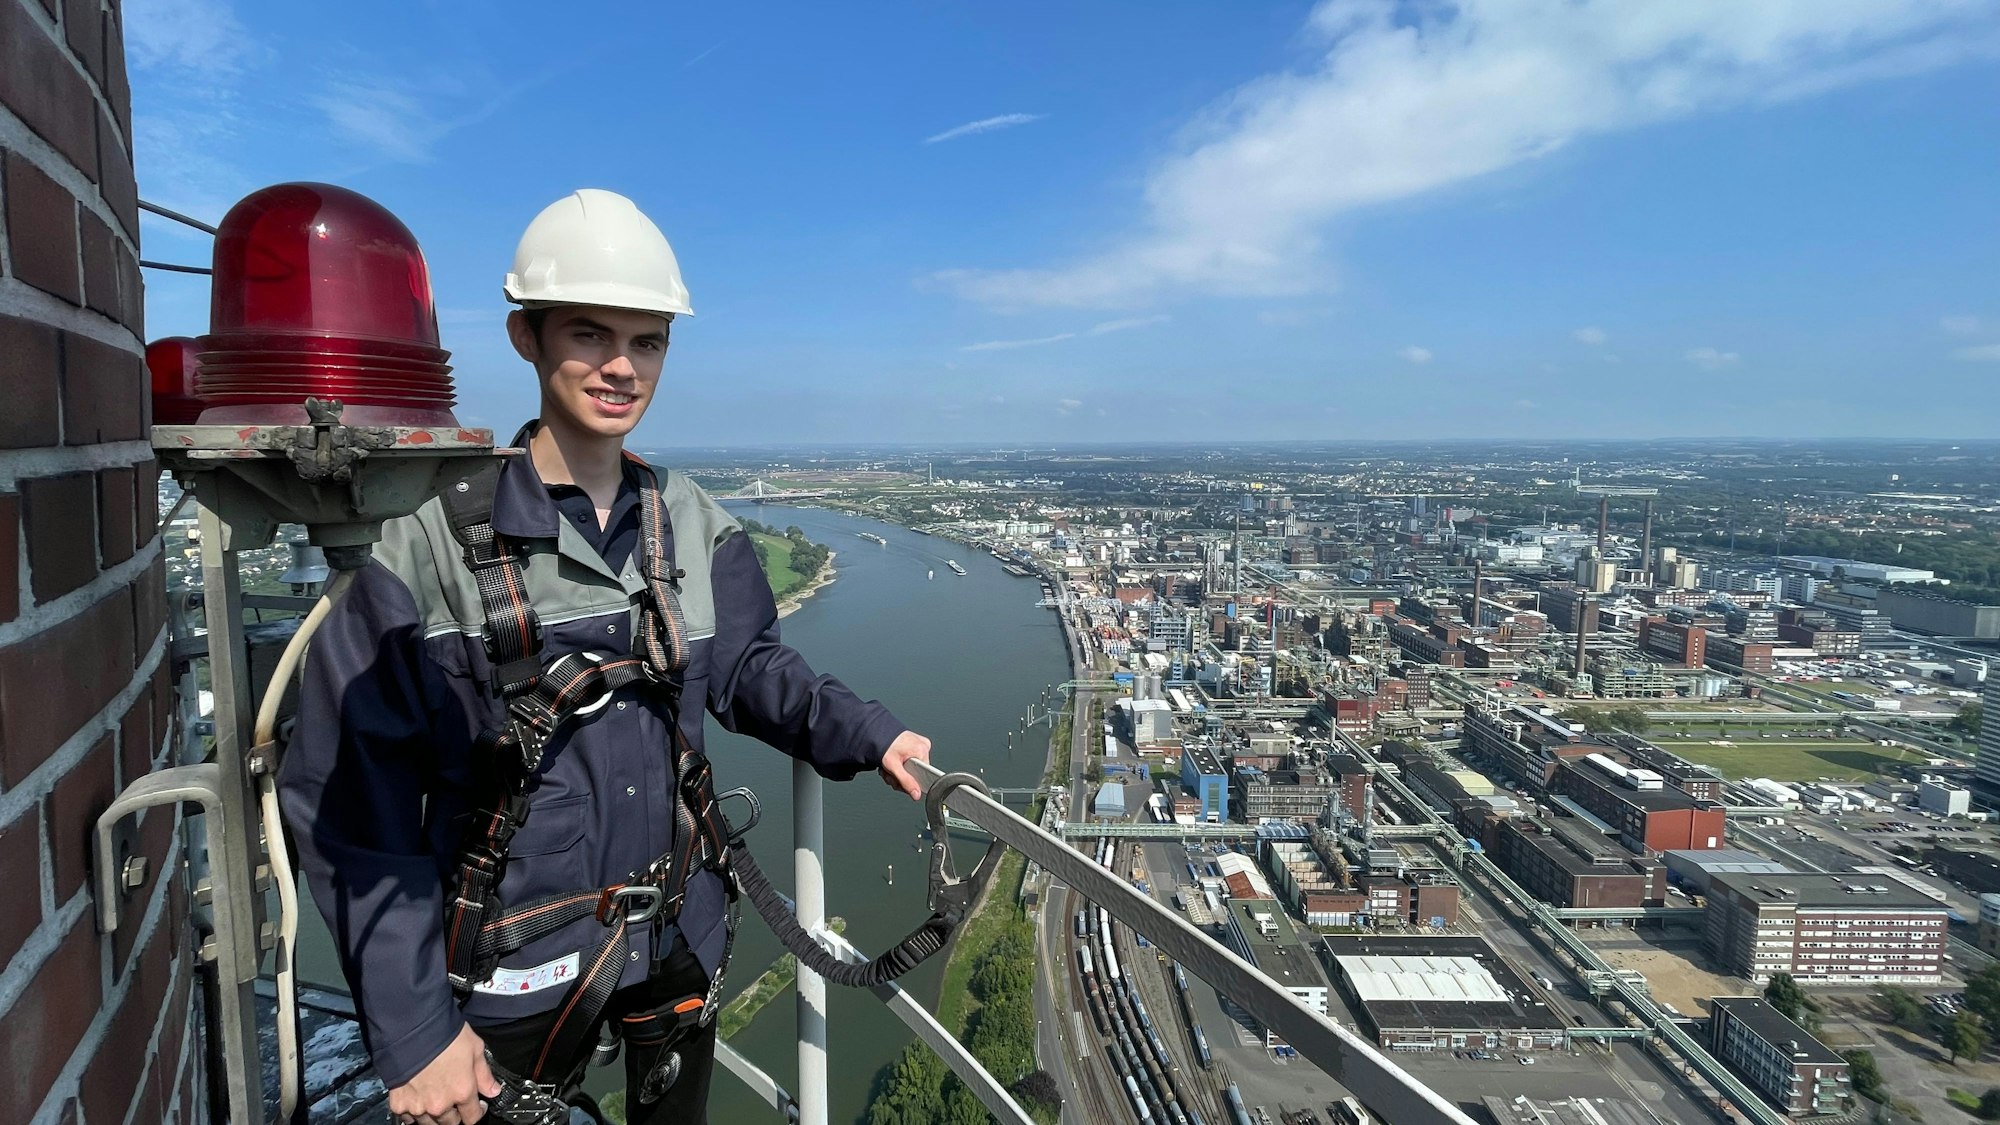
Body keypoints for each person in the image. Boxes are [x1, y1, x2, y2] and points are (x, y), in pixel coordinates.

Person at [281, 188, 933, 1125]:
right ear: (527, 338)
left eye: (649, 341)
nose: (622, 367)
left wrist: (870, 735)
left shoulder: (694, 527)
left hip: (675, 929)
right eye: (589, 334)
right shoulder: (427, 552)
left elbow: (751, 669)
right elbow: (348, 799)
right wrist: (415, 1028)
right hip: (509, 966)